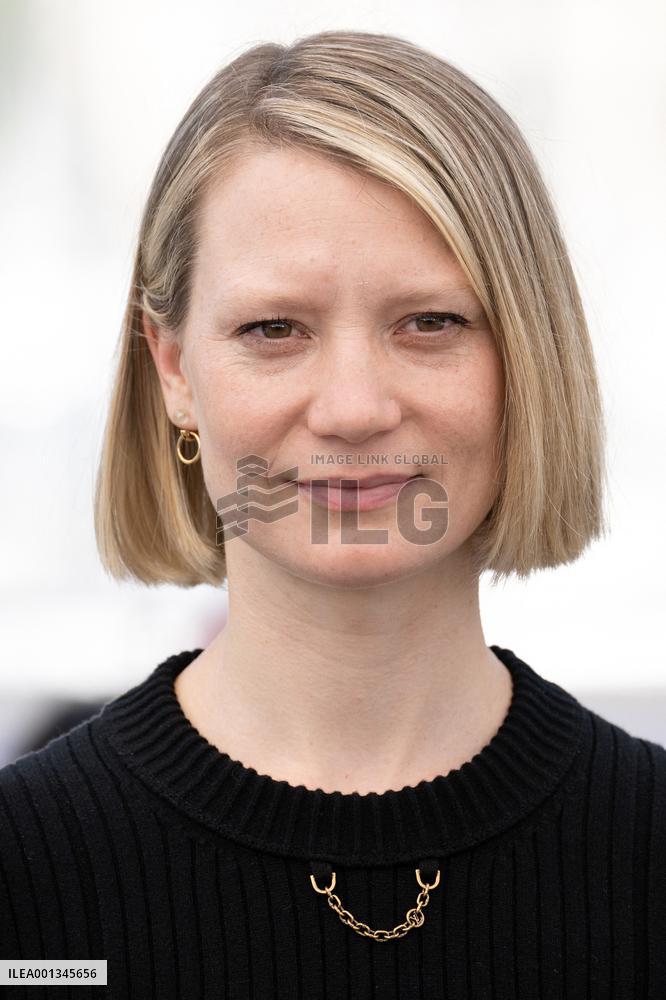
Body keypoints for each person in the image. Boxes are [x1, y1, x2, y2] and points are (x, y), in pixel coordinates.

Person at [1, 28, 664, 999]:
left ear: (528, 355)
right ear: (174, 368)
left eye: (430, 322)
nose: (354, 407)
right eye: (274, 329)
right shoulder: (24, 880)